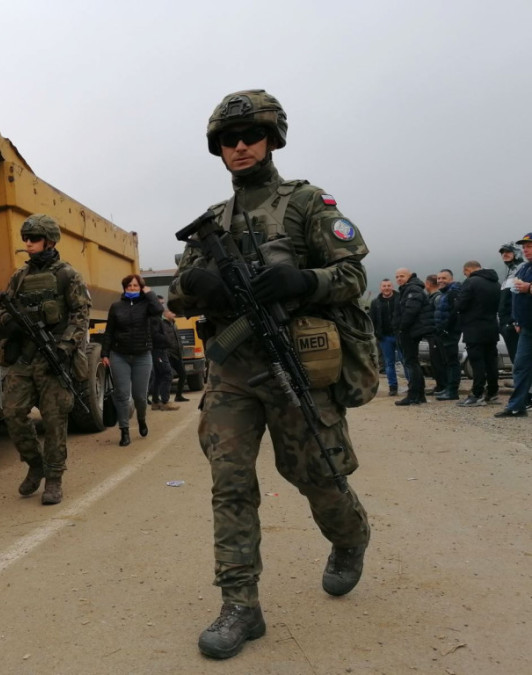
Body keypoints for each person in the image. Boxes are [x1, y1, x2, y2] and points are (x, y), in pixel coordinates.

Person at [168, 89, 372, 661]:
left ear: (272, 139)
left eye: (250, 136)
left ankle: (351, 536)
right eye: (228, 140)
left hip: (295, 364)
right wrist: (198, 286)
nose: (239, 147)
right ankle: (240, 605)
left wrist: (304, 281)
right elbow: (178, 295)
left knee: (317, 474)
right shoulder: (212, 223)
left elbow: (353, 275)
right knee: (230, 483)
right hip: (232, 371)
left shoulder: (306, 203)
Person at [0, 214, 91, 505]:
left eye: (34, 238)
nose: (28, 243)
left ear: (49, 241)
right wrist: (10, 323)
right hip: (24, 358)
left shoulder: (68, 275)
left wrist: (65, 346)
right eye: (25, 238)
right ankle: (35, 464)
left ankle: (53, 478)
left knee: (54, 420)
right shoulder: (19, 276)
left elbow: (80, 315)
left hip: (54, 357)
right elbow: (3, 311)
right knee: (12, 413)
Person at [101, 274, 164, 446]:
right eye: (129, 286)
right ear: (124, 288)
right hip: (119, 355)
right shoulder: (116, 307)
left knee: (140, 397)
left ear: (141, 288)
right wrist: (105, 354)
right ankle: (124, 431)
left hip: (142, 356)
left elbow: (158, 311)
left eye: (136, 286)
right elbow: (109, 331)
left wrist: (149, 293)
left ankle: (141, 419)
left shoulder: (147, 305)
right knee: (122, 394)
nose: (132, 288)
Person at [494, 233, 532, 417]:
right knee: (520, 366)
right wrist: (516, 320)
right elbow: (516, 298)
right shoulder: (523, 268)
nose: (526, 250)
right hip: (526, 328)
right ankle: (517, 406)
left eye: (529, 246)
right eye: (524, 247)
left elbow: (524, 290)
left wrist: (529, 288)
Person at [455, 260, 501, 406]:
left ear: (468, 270)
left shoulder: (471, 282)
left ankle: (477, 393)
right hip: (492, 327)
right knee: (491, 361)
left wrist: (456, 302)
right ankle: (492, 392)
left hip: (474, 328)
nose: (465, 275)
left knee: (477, 362)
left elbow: (460, 304)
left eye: (465, 273)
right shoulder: (496, 283)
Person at [393, 268, 435, 405]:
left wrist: (401, 328)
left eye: (402, 276)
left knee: (411, 363)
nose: (399, 278)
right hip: (411, 330)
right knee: (413, 362)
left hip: (410, 331)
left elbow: (411, 311)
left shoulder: (413, 289)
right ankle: (419, 395)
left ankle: (413, 395)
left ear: (409, 276)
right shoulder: (408, 288)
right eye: (397, 276)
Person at [434, 269, 463, 400]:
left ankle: (452, 391)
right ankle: (448, 388)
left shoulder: (453, 293)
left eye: (444, 278)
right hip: (444, 333)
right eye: (439, 278)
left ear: (451, 279)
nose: (440, 280)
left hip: (450, 333)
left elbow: (455, 314)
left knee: (452, 362)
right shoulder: (445, 293)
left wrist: (447, 329)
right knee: (448, 361)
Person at [369, 278, 400, 396]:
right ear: (380, 288)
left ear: (392, 287)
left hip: (399, 336)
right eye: (384, 286)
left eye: (388, 285)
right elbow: (372, 320)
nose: (386, 288)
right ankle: (393, 387)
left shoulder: (400, 299)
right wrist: (377, 334)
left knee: (405, 361)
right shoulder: (375, 302)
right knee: (389, 363)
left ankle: (411, 385)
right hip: (385, 337)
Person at [149, 296, 180, 411]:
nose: (162, 306)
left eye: (163, 303)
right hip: (158, 350)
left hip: (160, 350)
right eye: (160, 303)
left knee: (158, 376)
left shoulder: (157, 317)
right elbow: (154, 335)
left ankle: (155, 401)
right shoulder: (154, 319)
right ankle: (165, 401)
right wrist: (167, 340)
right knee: (167, 374)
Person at [497, 242, 522, 363]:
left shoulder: (522, 269)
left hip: (514, 324)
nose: (504, 254)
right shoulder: (508, 273)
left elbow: (520, 298)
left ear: (516, 253)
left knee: (520, 359)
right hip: (506, 324)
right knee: (515, 358)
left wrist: (514, 321)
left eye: (508, 251)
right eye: (502, 252)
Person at [424, 274, 447, 395]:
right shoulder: (433, 297)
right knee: (435, 361)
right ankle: (440, 385)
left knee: (439, 361)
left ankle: (442, 386)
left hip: (436, 334)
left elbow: (439, 316)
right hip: (433, 333)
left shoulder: (436, 298)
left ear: (428, 284)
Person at [162, 306, 190, 402]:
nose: (174, 314)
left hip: (177, 354)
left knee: (183, 374)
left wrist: (181, 349)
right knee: (167, 376)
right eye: (172, 312)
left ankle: (178, 396)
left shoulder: (174, 323)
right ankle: (164, 398)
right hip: (168, 354)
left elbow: (177, 338)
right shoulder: (162, 324)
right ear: (166, 313)